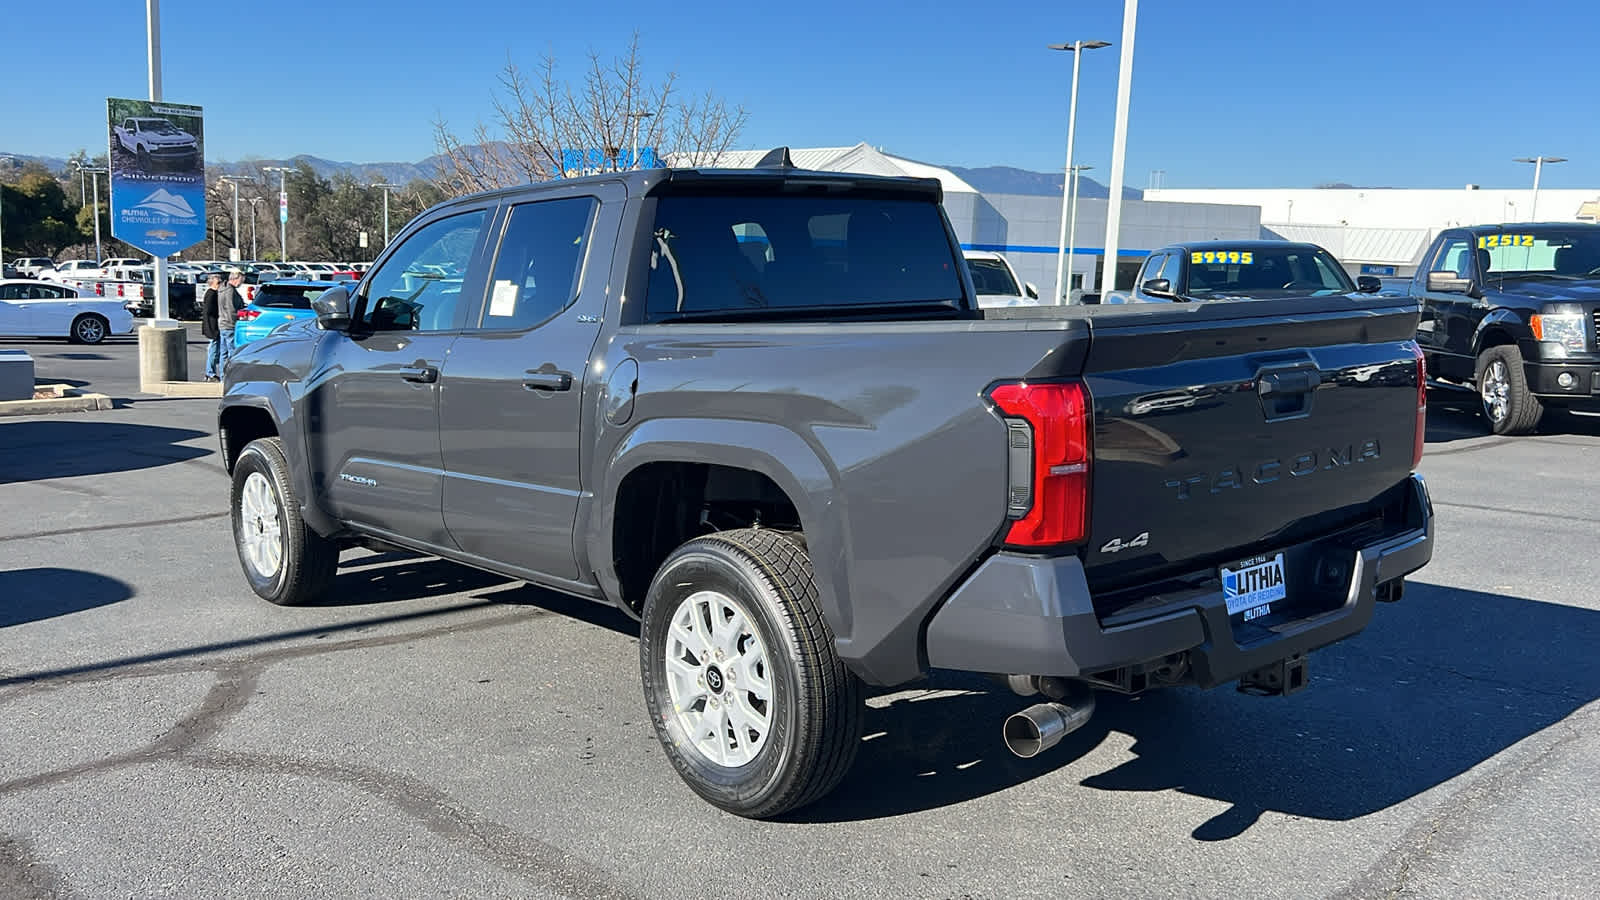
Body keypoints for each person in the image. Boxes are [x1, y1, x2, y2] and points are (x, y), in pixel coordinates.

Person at [216, 269, 246, 375]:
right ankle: (230, 375)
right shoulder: (230, 291)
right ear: (236, 278)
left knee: (223, 353)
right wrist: (236, 321)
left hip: (222, 324)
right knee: (232, 352)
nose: (241, 283)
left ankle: (223, 375)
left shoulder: (222, 288)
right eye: (241, 280)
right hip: (229, 324)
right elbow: (231, 308)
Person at [200, 274, 223, 381]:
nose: (220, 284)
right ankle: (210, 372)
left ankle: (210, 371)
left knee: (215, 349)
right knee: (213, 349)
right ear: (213, 283)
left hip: (214, 326)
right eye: (218, 282)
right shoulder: (211, 294)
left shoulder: (215, 294)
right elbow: (208, 311)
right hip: (213, 326)